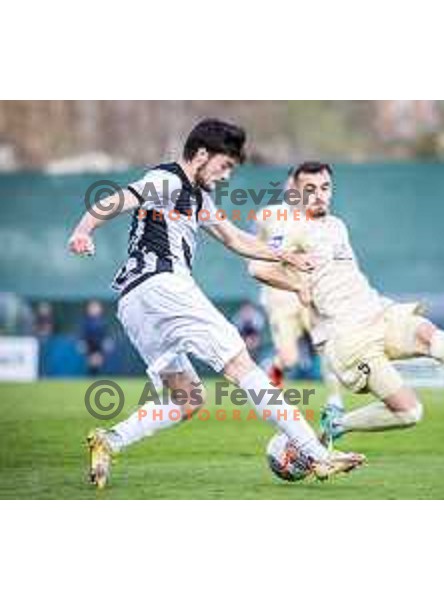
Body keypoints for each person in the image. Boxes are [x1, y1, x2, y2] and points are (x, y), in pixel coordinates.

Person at [68, 120, 364, 488]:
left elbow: (236, 239)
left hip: (134, 303)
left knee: (188, 398)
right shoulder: (168, 179)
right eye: (224, 167)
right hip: (165, 286)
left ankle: (109, 440)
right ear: (203, 155)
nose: (226, 177)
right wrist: (83, 230)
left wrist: (284, 255)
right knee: (242, 365)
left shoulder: (198, 197)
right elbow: (118, 199)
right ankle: (318, 455)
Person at [248, 162, 444, 446]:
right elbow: (258, 269)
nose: (318, 195)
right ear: (296, 193)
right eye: (309, 189)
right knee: (410, 413)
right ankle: (337, 424)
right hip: (350, 338)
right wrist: (297, 284)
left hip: (379, 312)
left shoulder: (337, 225)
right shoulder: (291, 229)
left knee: (439, 340)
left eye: (325, 187)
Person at [254, 189, 344, 409]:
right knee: (290, 358)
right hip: (282, 296)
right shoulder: (269, 216)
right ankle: (275, 369)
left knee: (327, 346)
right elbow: (256, 249)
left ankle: (335, 401)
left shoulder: (321, 219)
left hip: (312, 293)